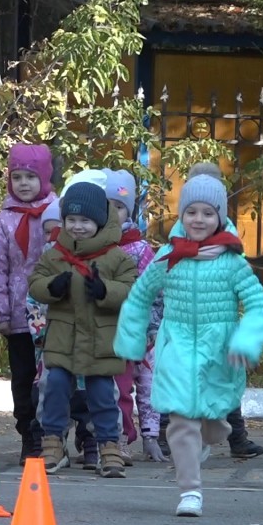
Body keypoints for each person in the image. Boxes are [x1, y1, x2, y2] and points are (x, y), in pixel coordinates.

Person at [114, 173, 263, 517]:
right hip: (177, 347)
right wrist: (130, 341)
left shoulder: (233, 263)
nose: (198, 219)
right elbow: (140, 296)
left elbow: (259, 306)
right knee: (182, 420)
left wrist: (246, 340)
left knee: (213, 423)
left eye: (207, 213)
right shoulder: (169, 257)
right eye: (191, 212)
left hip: (220, 354)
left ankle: (210, 434)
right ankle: (190, 492)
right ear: (182, 214)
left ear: (220, 217)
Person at [155, 161, 263, 461]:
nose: (200, 217)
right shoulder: (179, 236)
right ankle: (169, 435)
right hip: (182, 324)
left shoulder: (225, 235)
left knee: (223, 382)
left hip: (215, 328)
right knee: (176, 381)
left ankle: (237, 438)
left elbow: (240, 277)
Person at [28, 182, 137, 478]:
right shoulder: (55, 254)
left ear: (100, 221)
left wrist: (105, 290)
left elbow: (131, 289)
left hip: (101, 340)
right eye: (71, 220)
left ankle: (109, 445)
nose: (77, 226)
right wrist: (52, 287)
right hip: (63, 338)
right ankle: (53, 441)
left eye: (85, 220)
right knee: (54, 387)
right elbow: (36, 282)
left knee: (102, 394)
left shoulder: (117, 257)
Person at [0, 144, 58, 464]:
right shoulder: (5, 219)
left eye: (30, 176)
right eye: (17, 177)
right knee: (23, 377)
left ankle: (54, 434)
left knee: (53, 377)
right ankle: (29, 432)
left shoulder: (57, 212)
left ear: (45, 177)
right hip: (18, 315)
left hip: (54, 313)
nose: (23, 183)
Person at [101, 168, 167, 464]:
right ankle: (101, 440)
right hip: (100, 330)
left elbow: (154, 292)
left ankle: (133, 438)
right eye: (105, 206)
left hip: (132, 333)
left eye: (118, 207)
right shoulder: (90, 244)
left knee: (131, 387)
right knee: (105, 389)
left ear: (128, 211)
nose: (111, 213)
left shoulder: (139, 248)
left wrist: (150, 329)